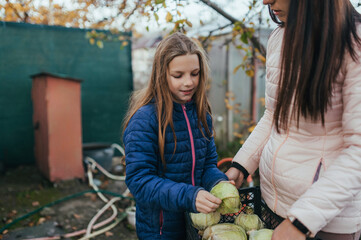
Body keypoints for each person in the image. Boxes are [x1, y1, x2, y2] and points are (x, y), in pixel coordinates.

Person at [226, 0, 361, 239]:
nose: (266, 1)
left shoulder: (353, 43)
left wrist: (302, 221)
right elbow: (274, 115)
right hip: (274, 203)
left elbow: (358, 151)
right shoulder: (279, 38)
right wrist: (241, 165)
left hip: (323, 221)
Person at [122, 32, 228, 240]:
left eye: (195, 73)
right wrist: (189, 196)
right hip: (161, 231)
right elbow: (139, 182)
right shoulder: (145, 120)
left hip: (197, 225)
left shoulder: (202, 115)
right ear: (162, 75)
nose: (188, 82)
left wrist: (219, 184)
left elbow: (208, 166)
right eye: (178, 75)